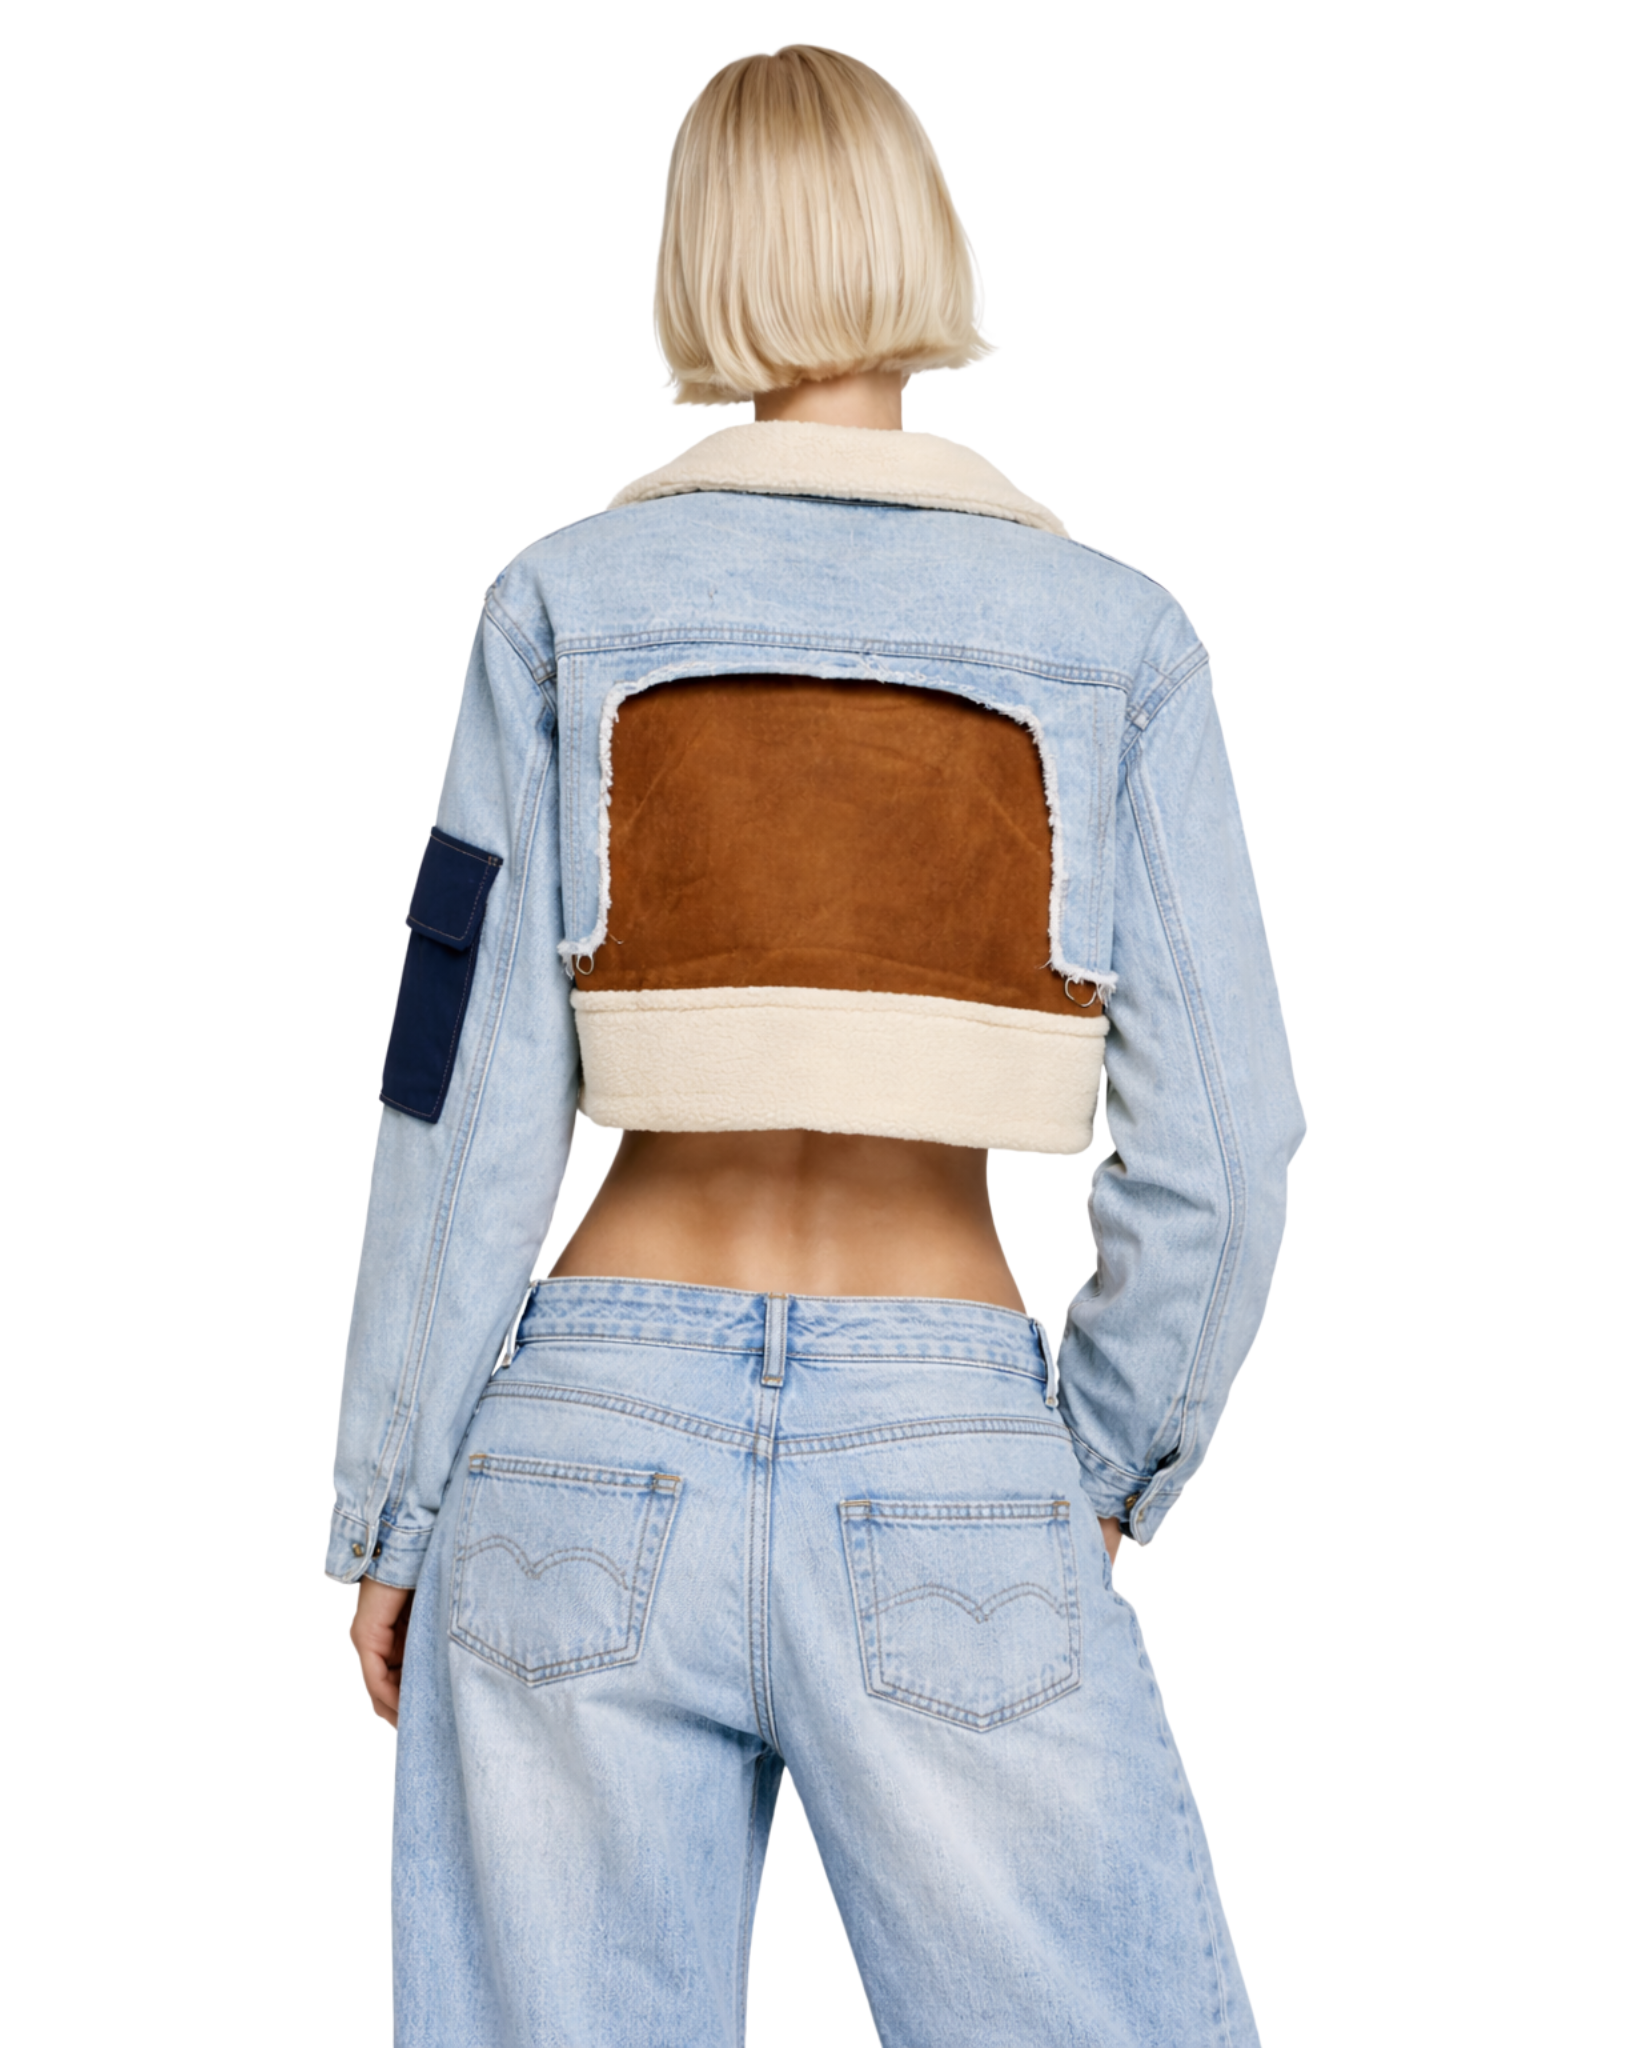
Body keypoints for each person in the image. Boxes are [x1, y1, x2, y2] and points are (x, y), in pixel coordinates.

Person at [331, 44, 1303, 2048]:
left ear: (694, 262)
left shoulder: (561, 608)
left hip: (582, 1451)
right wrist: (1086, 1477)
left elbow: (462, 1100)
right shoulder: (1115, 644)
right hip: (948, 1443)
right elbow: (1228, 1143)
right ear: (921, 242)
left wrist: (398, 1509)